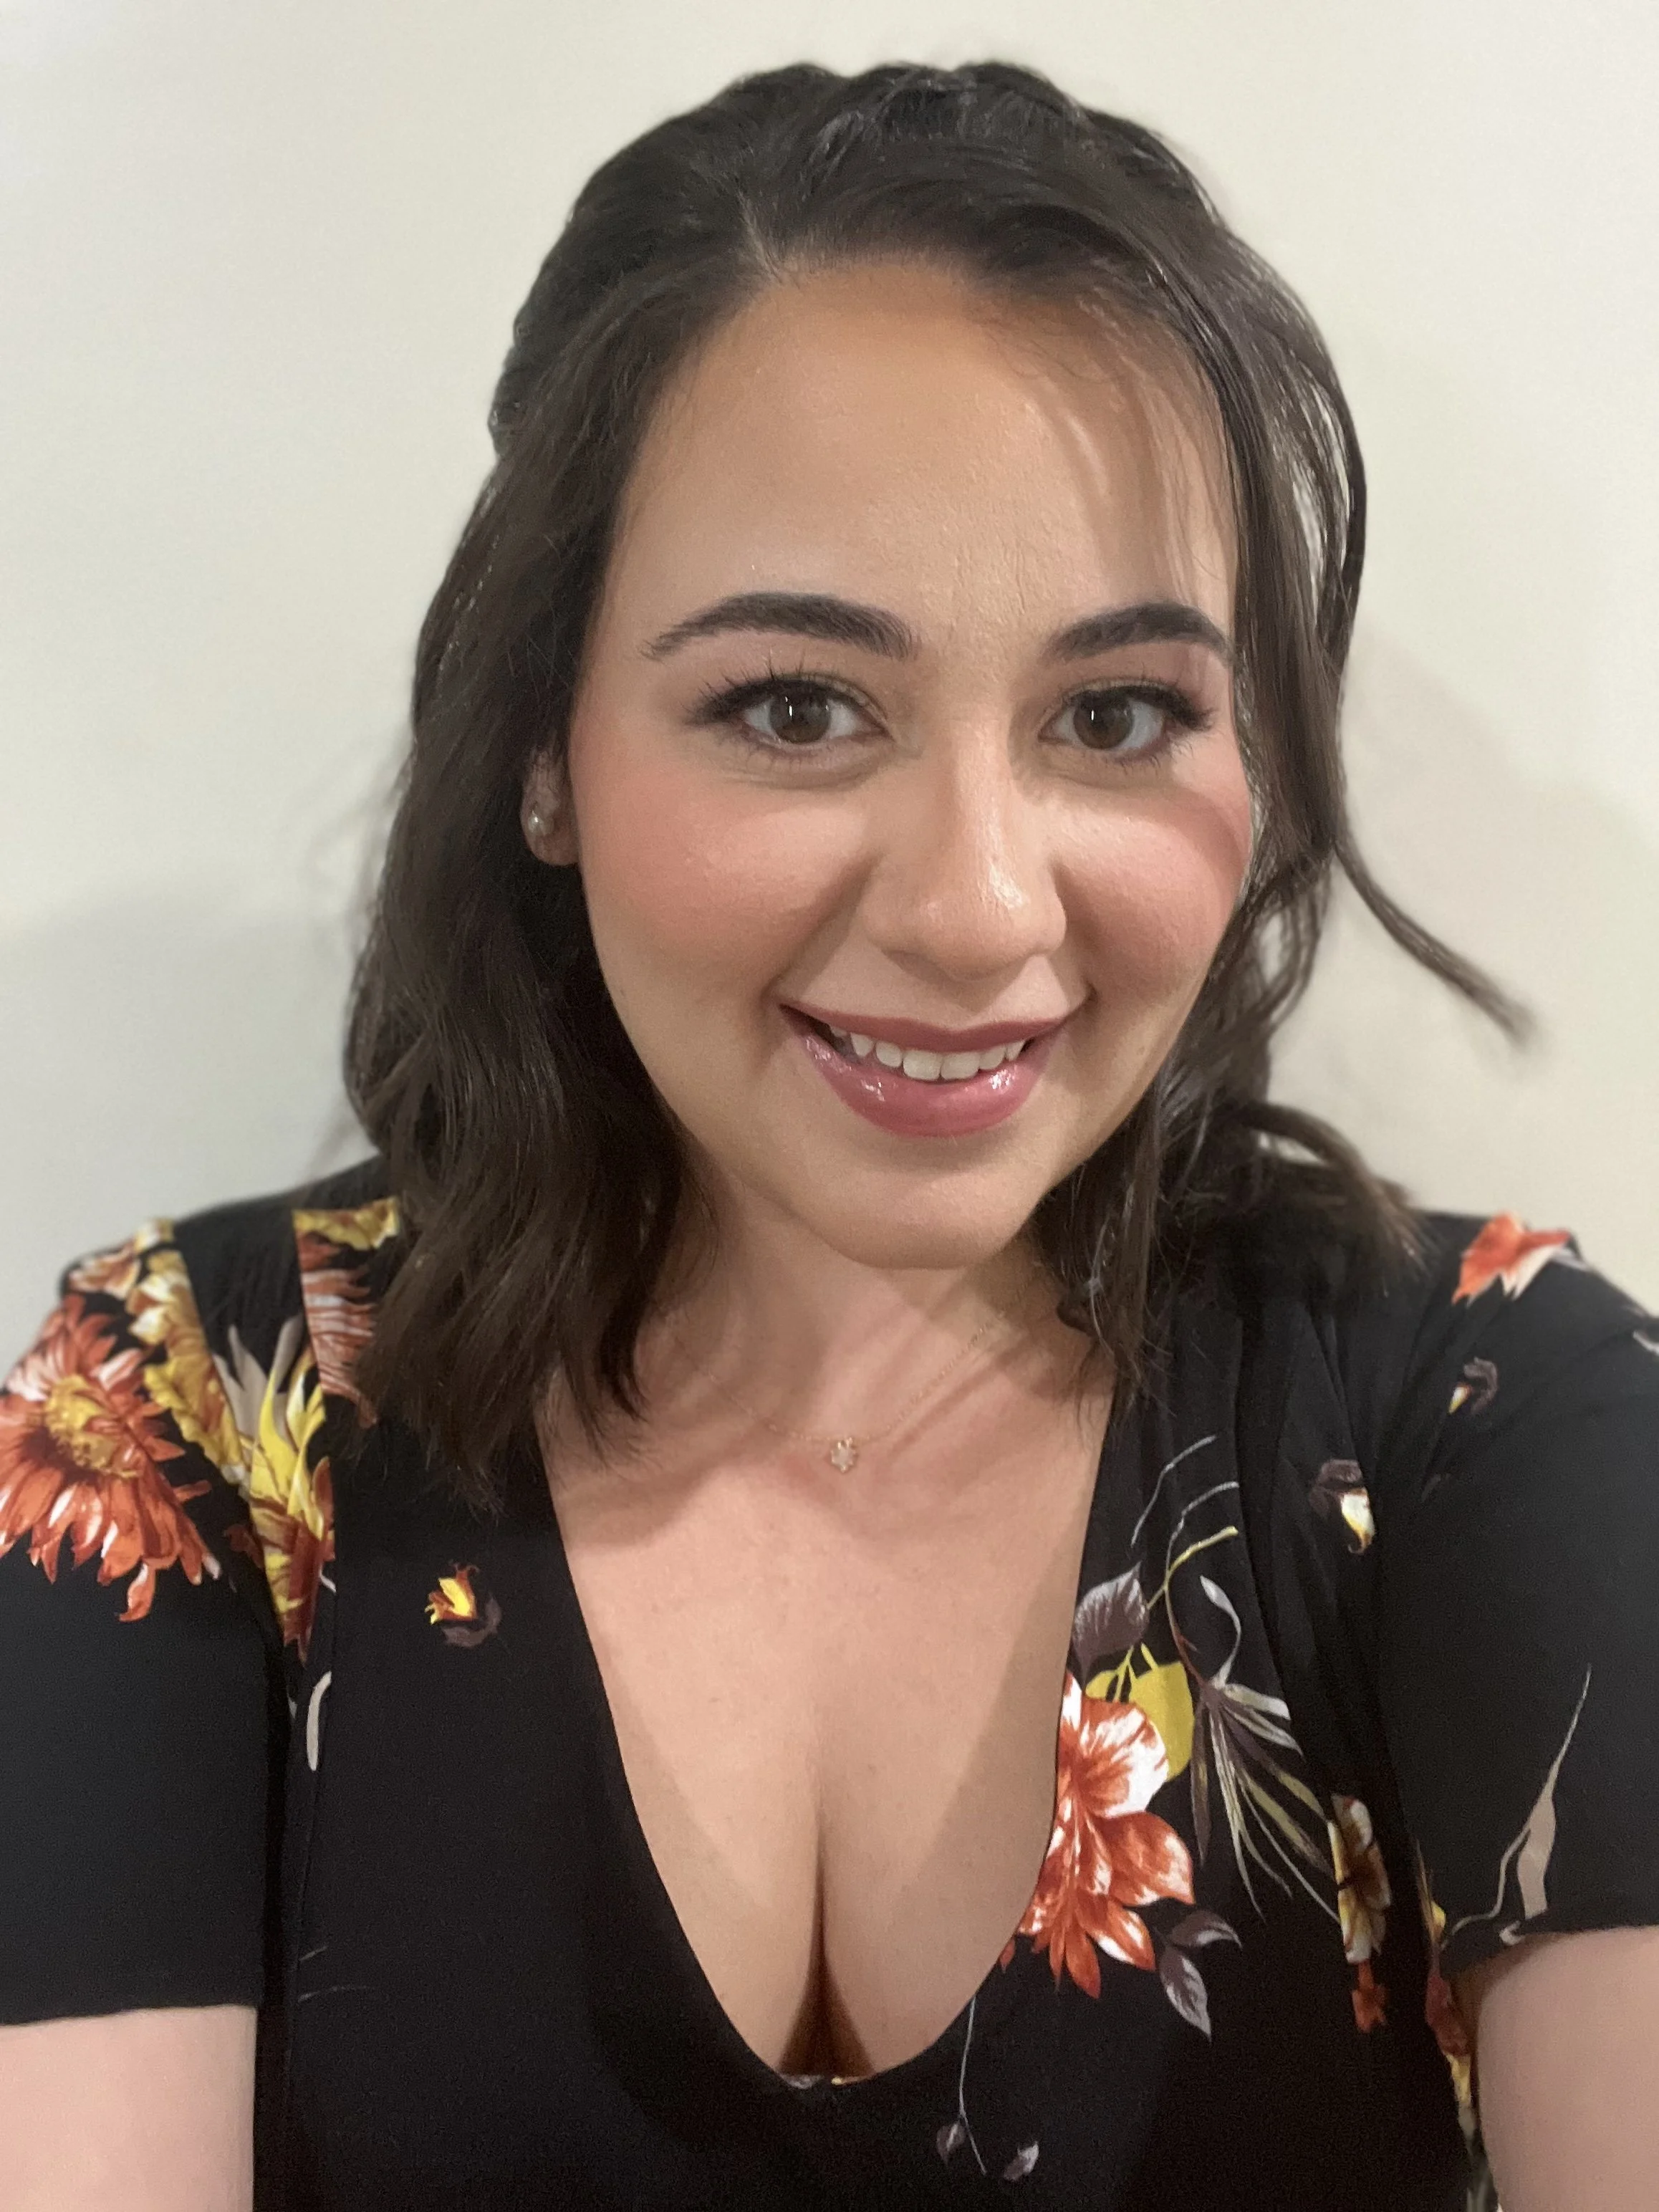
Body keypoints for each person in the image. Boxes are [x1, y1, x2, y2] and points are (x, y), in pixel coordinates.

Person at [1, 57, 1655, 2212]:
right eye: (793, 705)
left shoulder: (1482, 1416)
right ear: (543, 750)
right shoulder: (185, 1425)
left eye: (1116, 714)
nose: (975, 908)